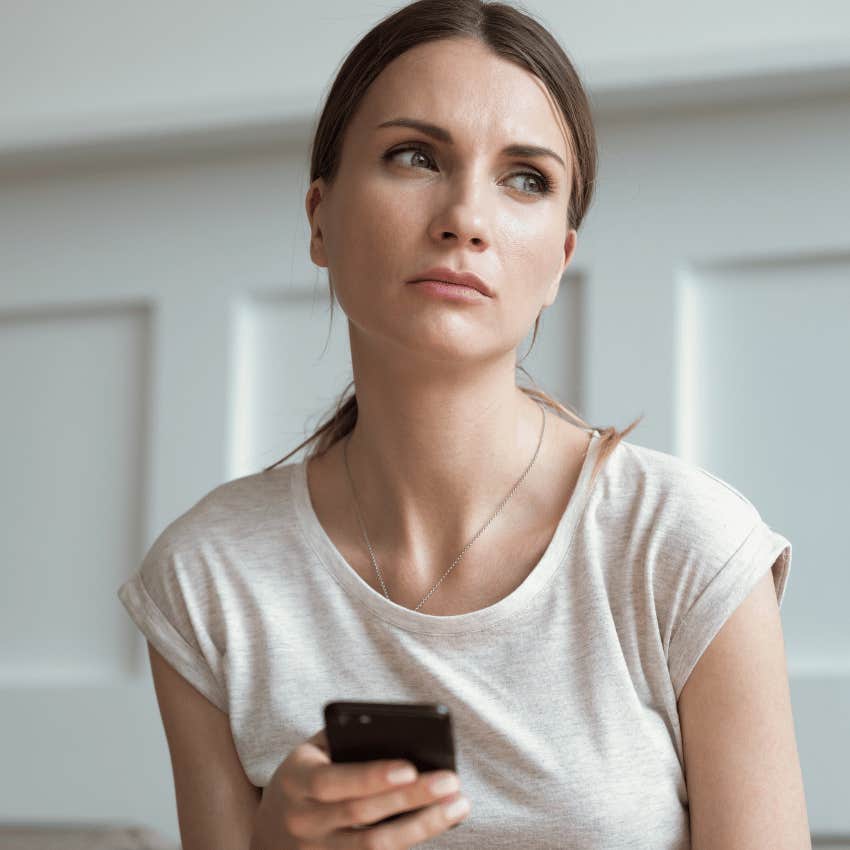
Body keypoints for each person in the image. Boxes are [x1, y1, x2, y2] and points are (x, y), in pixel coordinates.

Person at [117, 1, 812, 847]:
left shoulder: (688, 550)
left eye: (526, 178)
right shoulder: (208, 579)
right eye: (415, 156)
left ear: (560, 258)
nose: (464, 219)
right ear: (319, 219)